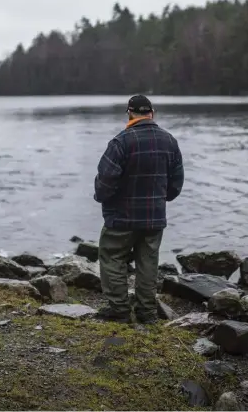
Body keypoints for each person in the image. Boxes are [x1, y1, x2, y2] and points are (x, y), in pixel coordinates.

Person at [93, 94, 184, 324]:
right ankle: (147, 312)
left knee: (112, 257)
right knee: (148, 263)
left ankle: (120, 310)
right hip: (154, 218)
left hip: (121, 218)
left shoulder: (121, 142)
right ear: (151, 113)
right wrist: (160, 200)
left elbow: (105, 180)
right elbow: (176, 183)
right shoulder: (170, 141)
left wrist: (103, 198)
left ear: (130, 113)